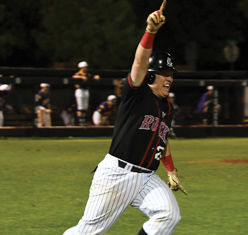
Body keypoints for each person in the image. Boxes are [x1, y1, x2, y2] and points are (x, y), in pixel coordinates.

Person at [64, 2, 187, 235]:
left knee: (168, 215)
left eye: (171, 74)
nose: (169, 79)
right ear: (150, 77)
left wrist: (171, 170)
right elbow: (139, 63)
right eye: (163, 74)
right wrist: (150, 32)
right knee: (89, 231)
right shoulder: (136, 94)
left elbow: (162, 138)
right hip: (117, 174)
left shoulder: (166, 108)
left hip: (147, 177)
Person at [72, 61, 100, 126]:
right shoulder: (78, 74)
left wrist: (96, 76)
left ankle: (83, 119)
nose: (85, 68)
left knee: (85, 106)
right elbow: (74, 76)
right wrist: (81, 77)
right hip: (79, 90)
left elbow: (94, 76)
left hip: (86, 90)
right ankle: (80, 121)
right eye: (84, 67)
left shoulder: (87, 74)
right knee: (80, 106)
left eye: (86, 67)